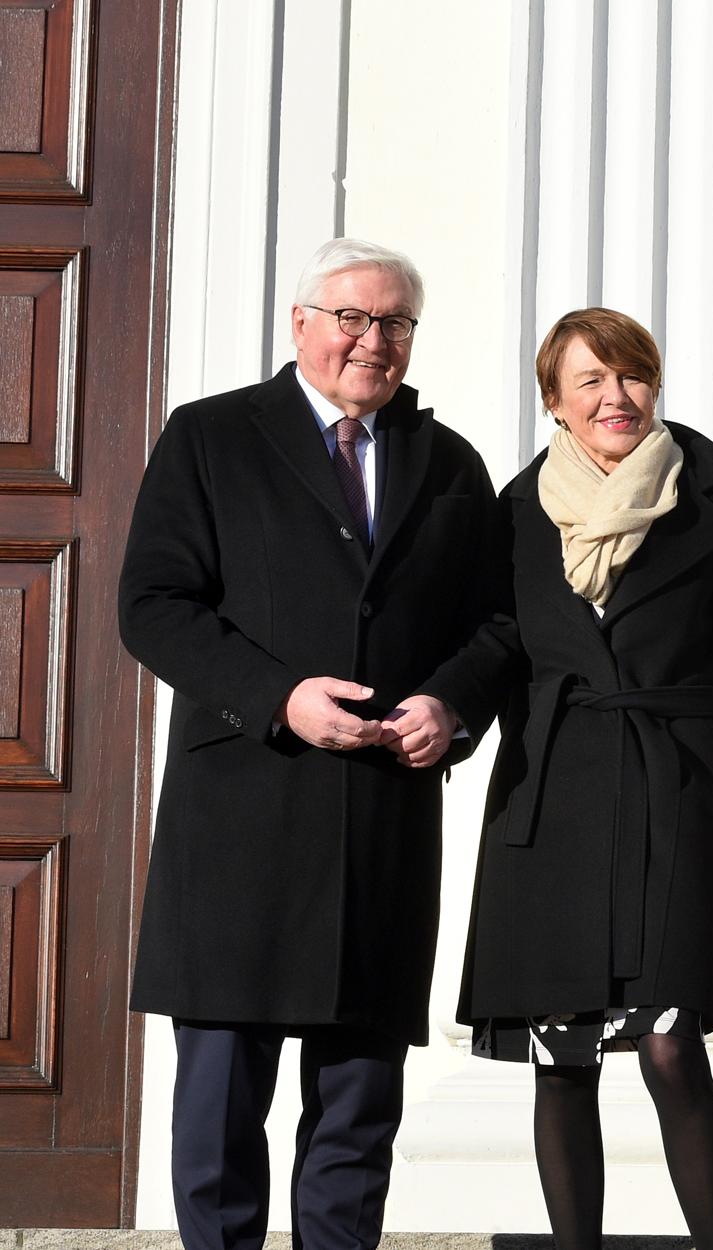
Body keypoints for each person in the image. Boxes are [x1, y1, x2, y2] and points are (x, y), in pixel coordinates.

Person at [120, 238, 498, 1250]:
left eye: (396, 323)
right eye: (352, 318)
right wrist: (280, 698)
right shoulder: (210, 436)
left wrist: (449, 703)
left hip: (380, 822)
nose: (374, 341)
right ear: (300, 323)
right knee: (219, 1114)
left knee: (357, 1115)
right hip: (242, 816)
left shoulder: (451, 464)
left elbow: (497, 624)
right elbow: (154, 605)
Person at [427, 308, 713, 1249]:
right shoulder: (515, 513)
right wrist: (442, 714)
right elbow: (497, 646)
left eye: (632, 375)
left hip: (670, 793)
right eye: (591, 380)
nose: (616, 396)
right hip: (550, 797)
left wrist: (697, 781)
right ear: (555, 401)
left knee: (669, 1043)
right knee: (563, 1056)